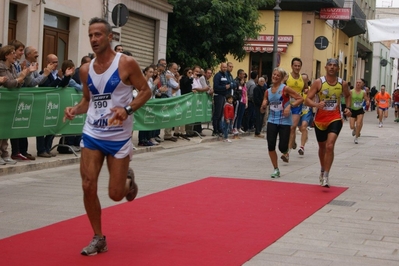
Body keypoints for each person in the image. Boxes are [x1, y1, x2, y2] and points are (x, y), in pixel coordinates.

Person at [63, 17, 151, 256]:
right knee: (87, 185)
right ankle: (98, 237)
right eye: (91, 35)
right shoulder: (85, 70)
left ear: (110, 37)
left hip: (119, 137)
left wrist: (128, 109)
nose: (93, 39)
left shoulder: (126, 63)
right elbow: (87, 101)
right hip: (92, 133)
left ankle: (128, 181)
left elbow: (146, 91)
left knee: (115, 194)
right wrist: (75, 109)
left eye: (98, 35)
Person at [305, 58, 351, 188]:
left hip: (335, 117)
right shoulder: (319, 82)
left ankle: (326, 175)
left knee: (330, 146)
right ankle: (322, 168)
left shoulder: (343, 83)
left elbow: (347, 95)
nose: (332, 67)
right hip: (320, 119)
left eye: (334, 65)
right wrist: (316, 104)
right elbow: (307, 100)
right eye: (329, 65)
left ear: (338, 68)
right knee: (322, 147)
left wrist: (348, 108)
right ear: (325, 67)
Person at [261, 67, 303, 178]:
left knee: (282, 147)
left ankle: (286, 151)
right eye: (274, 74)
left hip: (284, 121)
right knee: (271, 146)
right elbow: (262, 109)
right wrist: (264, 105)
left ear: (281, 78)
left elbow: (300, 98)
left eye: (278, 75)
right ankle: (276, 169)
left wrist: (290, 105)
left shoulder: (285, 89)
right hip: (272, 120)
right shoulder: (267, 91)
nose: (275, 77)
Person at [37, 54, 74, 158]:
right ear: (47, 63)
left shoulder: (57, 73)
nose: (55, 64)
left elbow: (61, 85)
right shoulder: (43, 73)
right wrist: (58, 77)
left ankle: (47, 148)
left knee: (52, 127)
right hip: (45, 103)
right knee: (41, 128)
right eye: (52, 62)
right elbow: (48, 87)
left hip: (56, 104)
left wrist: (66, 77)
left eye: (57, 62)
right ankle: (41, 149)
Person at [0, 45, 31, 165]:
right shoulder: (1, 66)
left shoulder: (12, 66)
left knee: (7, 128)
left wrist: (20, 78)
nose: (15, 55)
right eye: (12, 53)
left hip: (10, 101)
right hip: (3, 101)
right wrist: (20, 78)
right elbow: (8, 83)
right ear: (6, 55)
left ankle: (5, 153)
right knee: (1, 128)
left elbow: (16, 83)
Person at [286, 58, 305, 152]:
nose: (297, 67)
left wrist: (306, 92)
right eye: (295, 65)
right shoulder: (287, 77)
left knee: (293, 127)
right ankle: (292, 142)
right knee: (287, 128)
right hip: (286, 104)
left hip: (297, 105)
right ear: (292, 66)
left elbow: (306, 89)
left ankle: (287, 153)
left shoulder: (303, 78)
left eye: (299, 66)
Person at [212, 63, 230, 137]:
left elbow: (229, 83)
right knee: (217, 113)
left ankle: (219, 129)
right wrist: (224, 87)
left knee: (221, 114)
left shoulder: (226, 75)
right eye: (223, 67)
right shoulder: (217, 76)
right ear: (220, 67)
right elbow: (216, 87)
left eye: (226, 67)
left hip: (223, 96)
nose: (225, 69)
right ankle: (215, 130)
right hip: (218, 96)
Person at [349, 79, 369, 144]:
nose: (358, 84)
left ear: (361, 84)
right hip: (352, 109)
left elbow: (366, 99)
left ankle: (356, 138)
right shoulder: (351, 91)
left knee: (358, 124)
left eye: (359, 83)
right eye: (357, 82)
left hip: (360, 109)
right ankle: (355, 130)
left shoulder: (363, 92)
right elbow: (348, 99)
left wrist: (367, 102)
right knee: (352, 126)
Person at [297, 73, 313, 155]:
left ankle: (302, 147)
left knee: (303, 127)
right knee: (300, 129)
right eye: (301, 79)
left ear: (307, 80)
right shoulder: (297, 88)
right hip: (297, 110)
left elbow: (313, 99)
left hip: (306, 110)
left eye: (305, 79)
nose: (303, 81)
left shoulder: (310, 89)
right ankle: (305, 135)